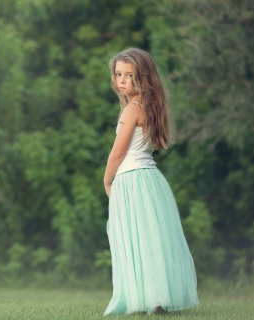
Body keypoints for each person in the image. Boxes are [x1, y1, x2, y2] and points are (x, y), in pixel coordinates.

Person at [103, 48, 199, 316]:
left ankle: (145, 299)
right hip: (151, 180)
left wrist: (107, 179)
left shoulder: (132, 109)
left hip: (130, 179)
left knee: (134, 238)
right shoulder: (151, 107)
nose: (121, 80)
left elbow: (118, 152)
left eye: (129, 75)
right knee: (151, 239)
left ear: (143, 78)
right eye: (118, 74)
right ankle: (155, 300)